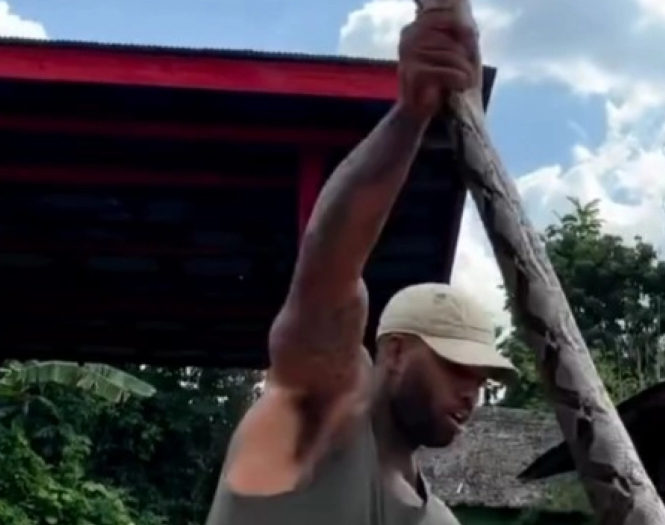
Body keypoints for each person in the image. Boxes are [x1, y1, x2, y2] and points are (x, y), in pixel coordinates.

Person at [205, 6, 516, 525]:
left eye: (481, 377)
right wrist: (411, 116)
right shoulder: (311, 428)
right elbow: (329, 266)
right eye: (456, 367)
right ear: (394, 351)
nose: (472, 392)